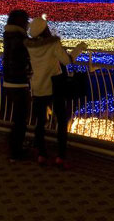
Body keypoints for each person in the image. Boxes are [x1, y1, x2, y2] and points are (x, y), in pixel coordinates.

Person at [25, 16, 87, 168]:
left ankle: (41, 155)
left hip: (38, 86)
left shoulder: (29, 46)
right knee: (61, 120)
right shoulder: (53, 44)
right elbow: (67, 60)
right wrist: (79, 48)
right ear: (46, 29)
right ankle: (60, 156)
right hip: (55, 86)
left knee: (40, 122)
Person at [2, 9, 31, 162]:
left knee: (18, 118)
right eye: (26, 21)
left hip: (8, 82)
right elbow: (26, 55)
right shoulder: (20, 38)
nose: (28, 25)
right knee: (21, 119)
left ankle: (15, 145)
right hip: (18, 83)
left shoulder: (8, 35)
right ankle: (16, 151)